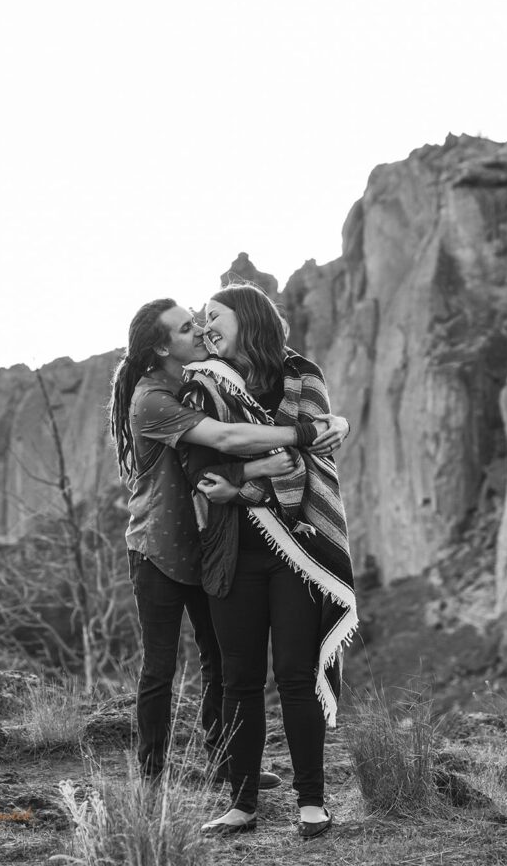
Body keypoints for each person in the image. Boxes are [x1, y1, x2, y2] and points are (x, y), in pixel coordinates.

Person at [108, 298, 348, 784]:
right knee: (160, 669)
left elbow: (267, 388)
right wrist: (306, 434)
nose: (198, 330)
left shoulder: (204, 380)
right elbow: (226, 441)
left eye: (200, 321)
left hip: (207, 545)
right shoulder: (153, 397)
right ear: (160, 347)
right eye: (184, 328)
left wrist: (336, 422)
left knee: (220, 662)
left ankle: (226, 767)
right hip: (158, 549)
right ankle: (151, 778)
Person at [176, 284, 357, 839]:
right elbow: (200, 464)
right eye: (201, 320)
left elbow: (311, 459)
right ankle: (241, 804)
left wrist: (243, 484)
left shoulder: (303, 375)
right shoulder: (204, 382)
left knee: (297, 676)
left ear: (246, 317)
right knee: (239, 680)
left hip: (298, 549)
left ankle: (312, 803)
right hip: (233, 549)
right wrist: (252, 474)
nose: (206, 327)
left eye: (215, 317)